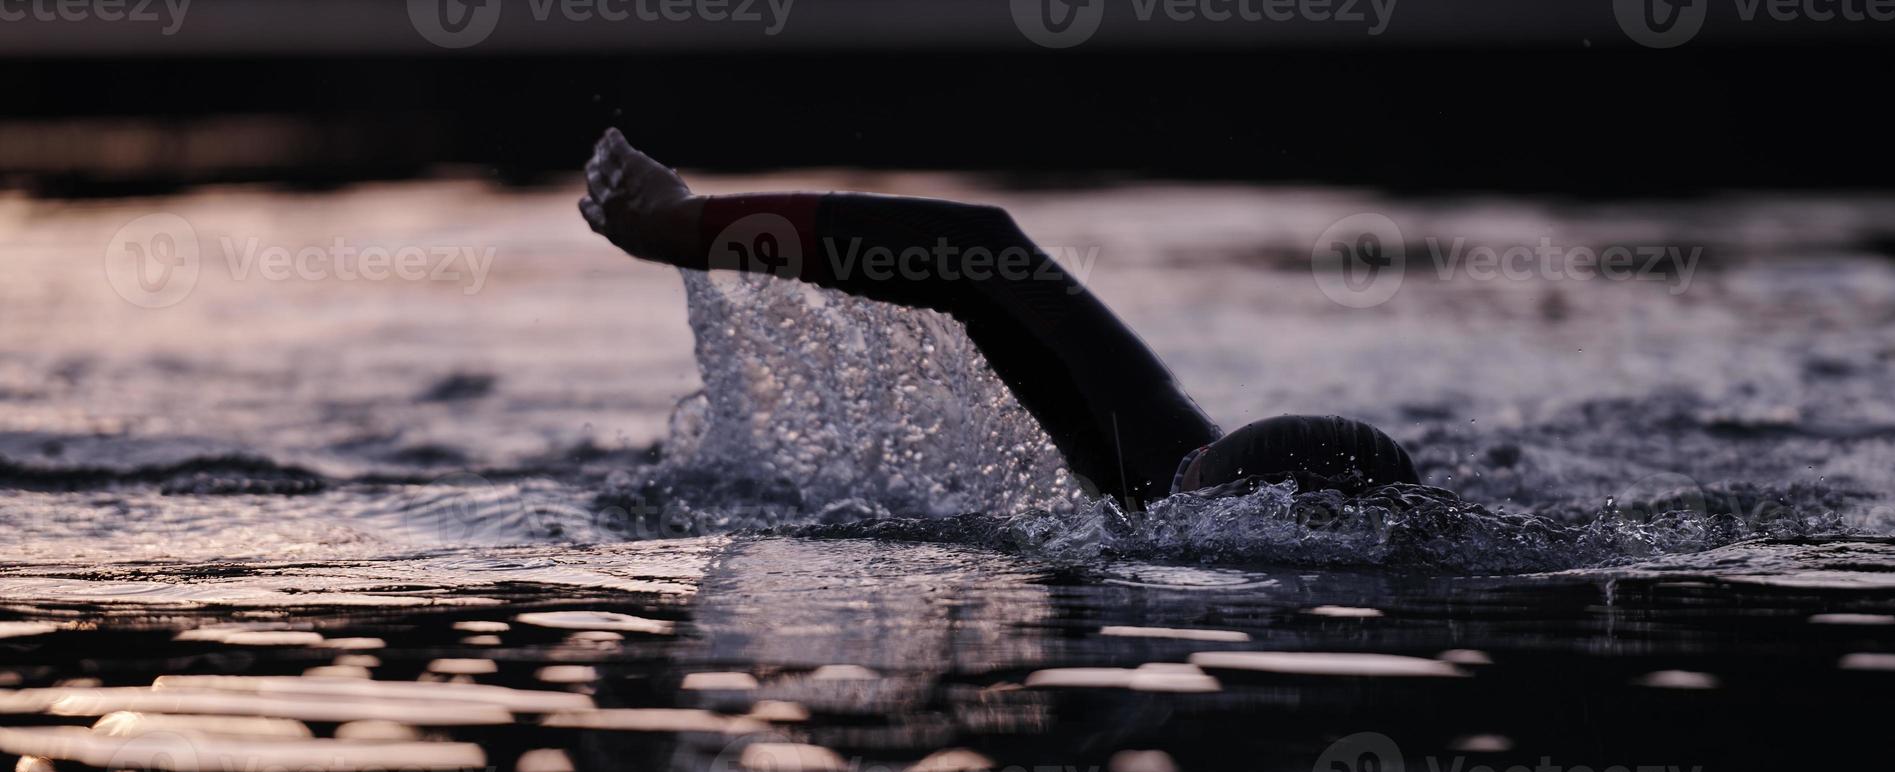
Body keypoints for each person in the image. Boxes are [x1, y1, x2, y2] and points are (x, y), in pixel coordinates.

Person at [579, 128, 1419, 509]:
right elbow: (979, 255)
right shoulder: (1164, 497)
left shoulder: (1165, 509)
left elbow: (975, 250)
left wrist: (685, 229)